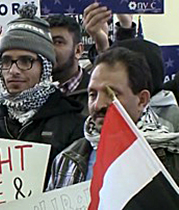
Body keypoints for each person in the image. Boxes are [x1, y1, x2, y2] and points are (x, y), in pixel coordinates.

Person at [0, 4, 85, 172]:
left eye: (25, 61)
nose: (13, 71)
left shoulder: (72, 124)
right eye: (6, 61)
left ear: (45, 67)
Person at [47, 47, 179, 191]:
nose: (98, 105)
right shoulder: (67, 160)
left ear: (142, 100)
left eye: (112, 94)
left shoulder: (172, 159)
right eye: (92, 94)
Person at [46, 14, 89, 116]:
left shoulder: (96, 93)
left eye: (58, 42)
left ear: (78, 50)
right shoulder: (31, 94)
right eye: (45, 42)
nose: (48, 49)